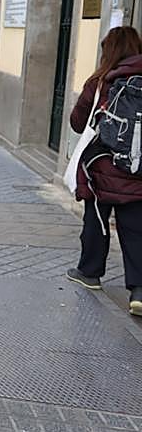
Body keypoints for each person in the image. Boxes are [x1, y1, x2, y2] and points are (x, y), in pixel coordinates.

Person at [65, 25, 142, 315]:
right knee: (136, 230)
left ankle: (90, 272)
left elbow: (77, 122)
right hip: (137, 173)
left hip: (101, 168)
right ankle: (138, 290)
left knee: (96, 222)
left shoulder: (101, 82)